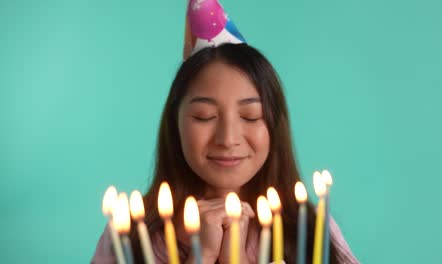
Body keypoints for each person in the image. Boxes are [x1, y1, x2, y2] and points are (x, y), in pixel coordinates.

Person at [93, 1, 359, 263]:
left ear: (274, 125)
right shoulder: (129, 235)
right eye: (204, 116)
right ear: (175, 123)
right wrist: (203, 255)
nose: (228, 139)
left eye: (250, 116)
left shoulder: (311, 229)